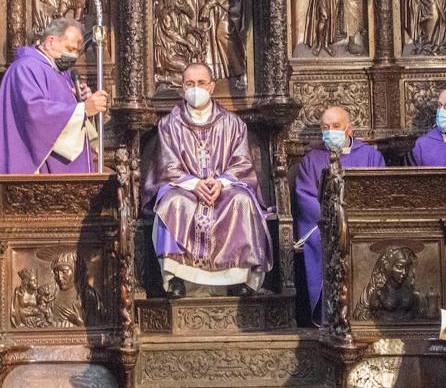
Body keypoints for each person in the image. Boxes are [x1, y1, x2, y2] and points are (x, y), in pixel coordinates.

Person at [143, 62, 272, 298]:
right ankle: (176, 278)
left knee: (242, 201)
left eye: (201, 83)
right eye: (190, 84)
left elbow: (243, 163)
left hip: (225, 191)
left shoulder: (233, 124)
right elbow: (166, 165)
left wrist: (221, 183)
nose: (196, 88)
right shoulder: (170, 125)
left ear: (211, 87)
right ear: (182, 87)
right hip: (184, 190)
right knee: (173, 203)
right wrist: (195, 184)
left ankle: (241, 278)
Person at [295, 106, 384, 324]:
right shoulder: (312, 160)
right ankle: (330, 316)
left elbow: (381, 192)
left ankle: (367, 315)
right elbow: (305, 198)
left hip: (363, 223)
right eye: (325, 127)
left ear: (349, 129)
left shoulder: (371, 156)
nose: (330, 132)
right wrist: (334, 218)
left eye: (336, 126)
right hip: (324, 224)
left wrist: (355, 217)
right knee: (320, 241)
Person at [0, 18, 109, 174]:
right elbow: (34, 112)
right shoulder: (26, 68)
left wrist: (81, 101)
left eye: (77, 52)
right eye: (70, 49)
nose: (74, 57)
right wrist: (82, 110)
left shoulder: (61, 74)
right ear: (50, 42)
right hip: (43, 170)